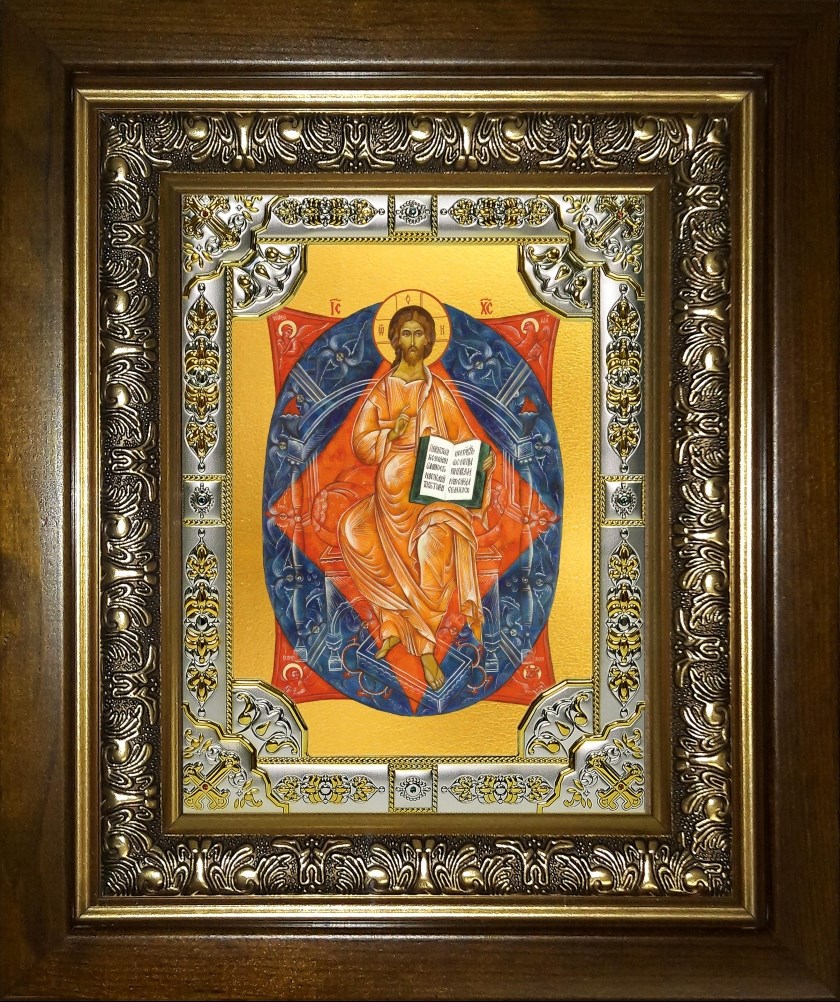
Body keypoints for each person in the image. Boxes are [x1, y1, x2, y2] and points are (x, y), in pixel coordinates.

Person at [338, 305, 495, 691]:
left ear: (429, 341)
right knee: (353, 532)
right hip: (389, 501)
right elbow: (360, 443)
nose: (412, 341)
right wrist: (389, 433)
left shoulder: (437, 390)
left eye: (419, 333)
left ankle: (425, 648)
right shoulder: (383, 389)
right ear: (395, 340)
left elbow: (463, 438)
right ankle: (393, 625)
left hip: (433, 494)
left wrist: (483, 457)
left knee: (431, 553)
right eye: (405, 333)